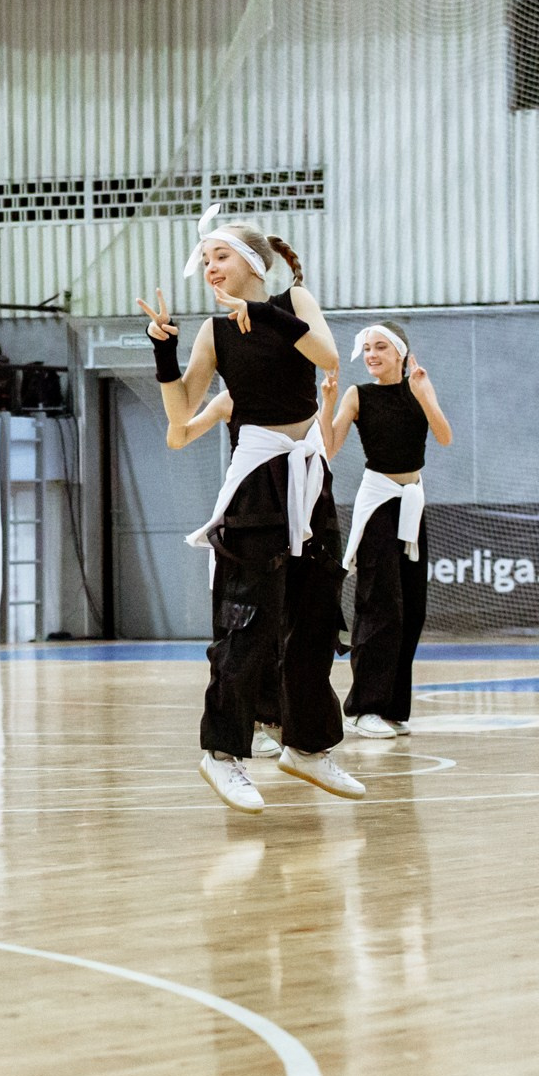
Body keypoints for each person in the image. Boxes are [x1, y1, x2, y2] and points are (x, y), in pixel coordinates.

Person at [139, 219, 362, 813]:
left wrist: (261, 313)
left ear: (251, 263)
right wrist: (163, 351)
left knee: (316, 620)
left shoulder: (293, 303)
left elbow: (328, 356)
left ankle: (307, 747)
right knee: (247, 626)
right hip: (257, 484)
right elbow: (182, 411)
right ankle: (222, 753)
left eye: (219, 256)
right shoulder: (213, 332)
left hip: (310, 477)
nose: (210, 268)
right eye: (205, 260)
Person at [326, 321, 453, 739]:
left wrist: (425, 396)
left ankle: (394, 708)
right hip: (379, 502)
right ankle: (363, 708)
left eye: (380, 347)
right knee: (380, 607)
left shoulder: (418, 388)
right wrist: (327, 403)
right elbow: (329, 448)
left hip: (413, 502)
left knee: (412, 609)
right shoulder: (357, 395)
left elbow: (444, 436)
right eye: (366, 349)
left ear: (400, 352)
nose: (372, 355)